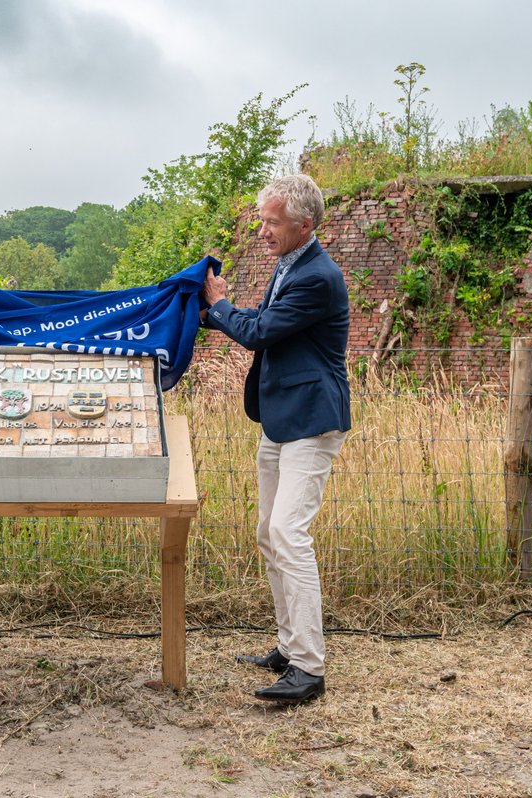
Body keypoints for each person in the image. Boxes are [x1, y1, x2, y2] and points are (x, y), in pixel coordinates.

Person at [200, 173, 351, 704]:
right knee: (269, 531)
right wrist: (218, 314)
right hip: (281, 419)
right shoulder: (291, 264)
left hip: (311, 419)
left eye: (272, 222)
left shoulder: (318, 277)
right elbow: (263, 319)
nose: (262, 230)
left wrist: (218, 306)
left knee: (289, 533)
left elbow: (260, 332)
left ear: (304, 224)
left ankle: (309, 669)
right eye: (261, 219)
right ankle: (288, 647)